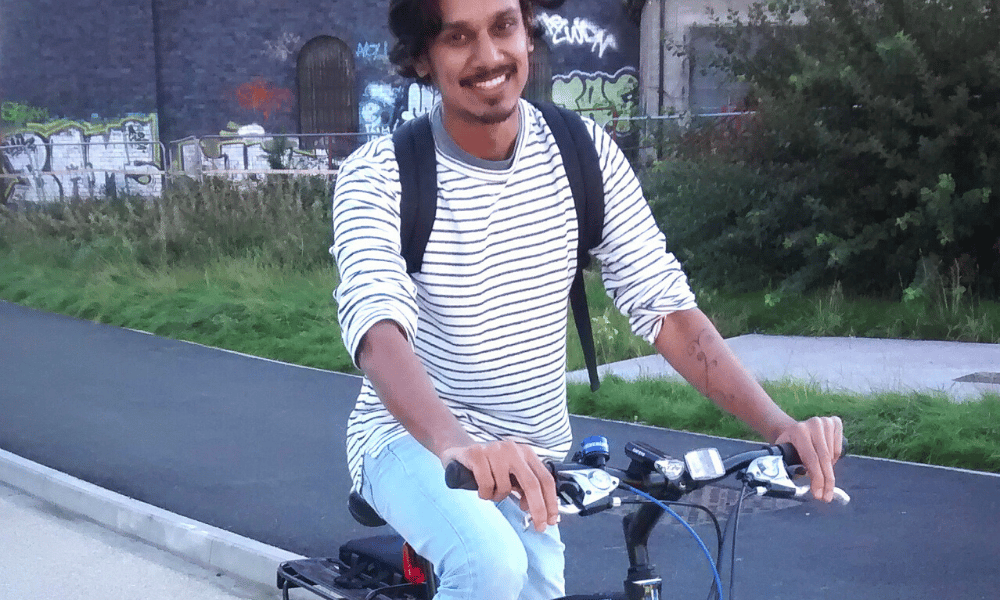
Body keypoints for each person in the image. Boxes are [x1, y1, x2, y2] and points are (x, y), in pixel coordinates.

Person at [330, 0, 844, 598]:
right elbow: (377, 327)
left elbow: (668, 311)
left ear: (528, 34)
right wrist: (457, 445)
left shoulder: (581, 153)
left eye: (503, 27)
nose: (490, 55)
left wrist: (780, 427)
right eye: (458, 37)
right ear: (423, 56)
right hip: (410, 443)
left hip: (538, 466)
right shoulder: (381, 172)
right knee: (491, 564)